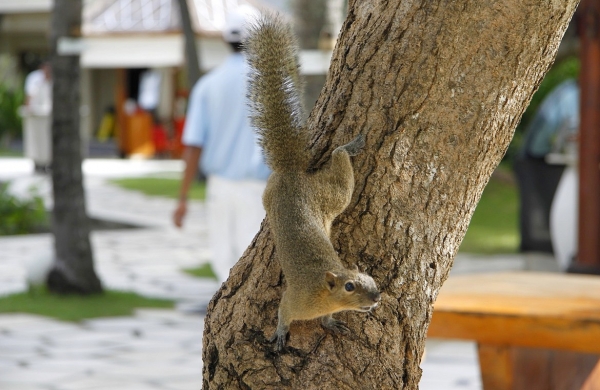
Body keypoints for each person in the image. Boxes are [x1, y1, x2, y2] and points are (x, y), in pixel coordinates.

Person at [173, 6, 270, 284]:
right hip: (259, 190)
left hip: (219, 188)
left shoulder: (207, 85)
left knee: (224, 264)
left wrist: (182, 200)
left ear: (225, 40)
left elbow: (193, 145)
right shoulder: (276, 84)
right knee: (254, 264)